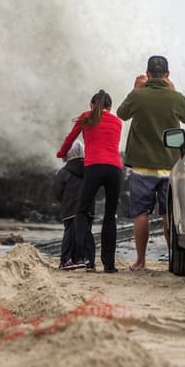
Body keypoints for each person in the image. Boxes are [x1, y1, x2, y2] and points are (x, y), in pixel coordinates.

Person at [116, 55, 185, 270]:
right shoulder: (175, 97)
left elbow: (122, 113)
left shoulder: (138, 96)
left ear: (148, 74)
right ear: (167, 74)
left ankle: (141, 261)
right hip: (170, 165)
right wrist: (174, 90)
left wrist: (135, 89)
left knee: (141, 213)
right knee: (168, 212)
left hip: (142, 166)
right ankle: (173, 258)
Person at [55, 89, 124, 272]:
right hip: (115, 169)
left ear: (92, 105)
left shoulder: (86, 116)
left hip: (94, 167)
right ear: (110, 107)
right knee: (110, 216)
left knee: (81, 211)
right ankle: (109, 265)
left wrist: (62, 153)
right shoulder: (117, 121)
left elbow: (70, 139)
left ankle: (82, 257)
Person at [52, 138, 94, 271]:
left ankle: (66, 260)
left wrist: (64, 202)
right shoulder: (90, 170)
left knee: (69, 233)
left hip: (69, 208)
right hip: (87, 209)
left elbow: (57, 191)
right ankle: (88, 261)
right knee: (86, 232)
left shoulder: (63, 172)